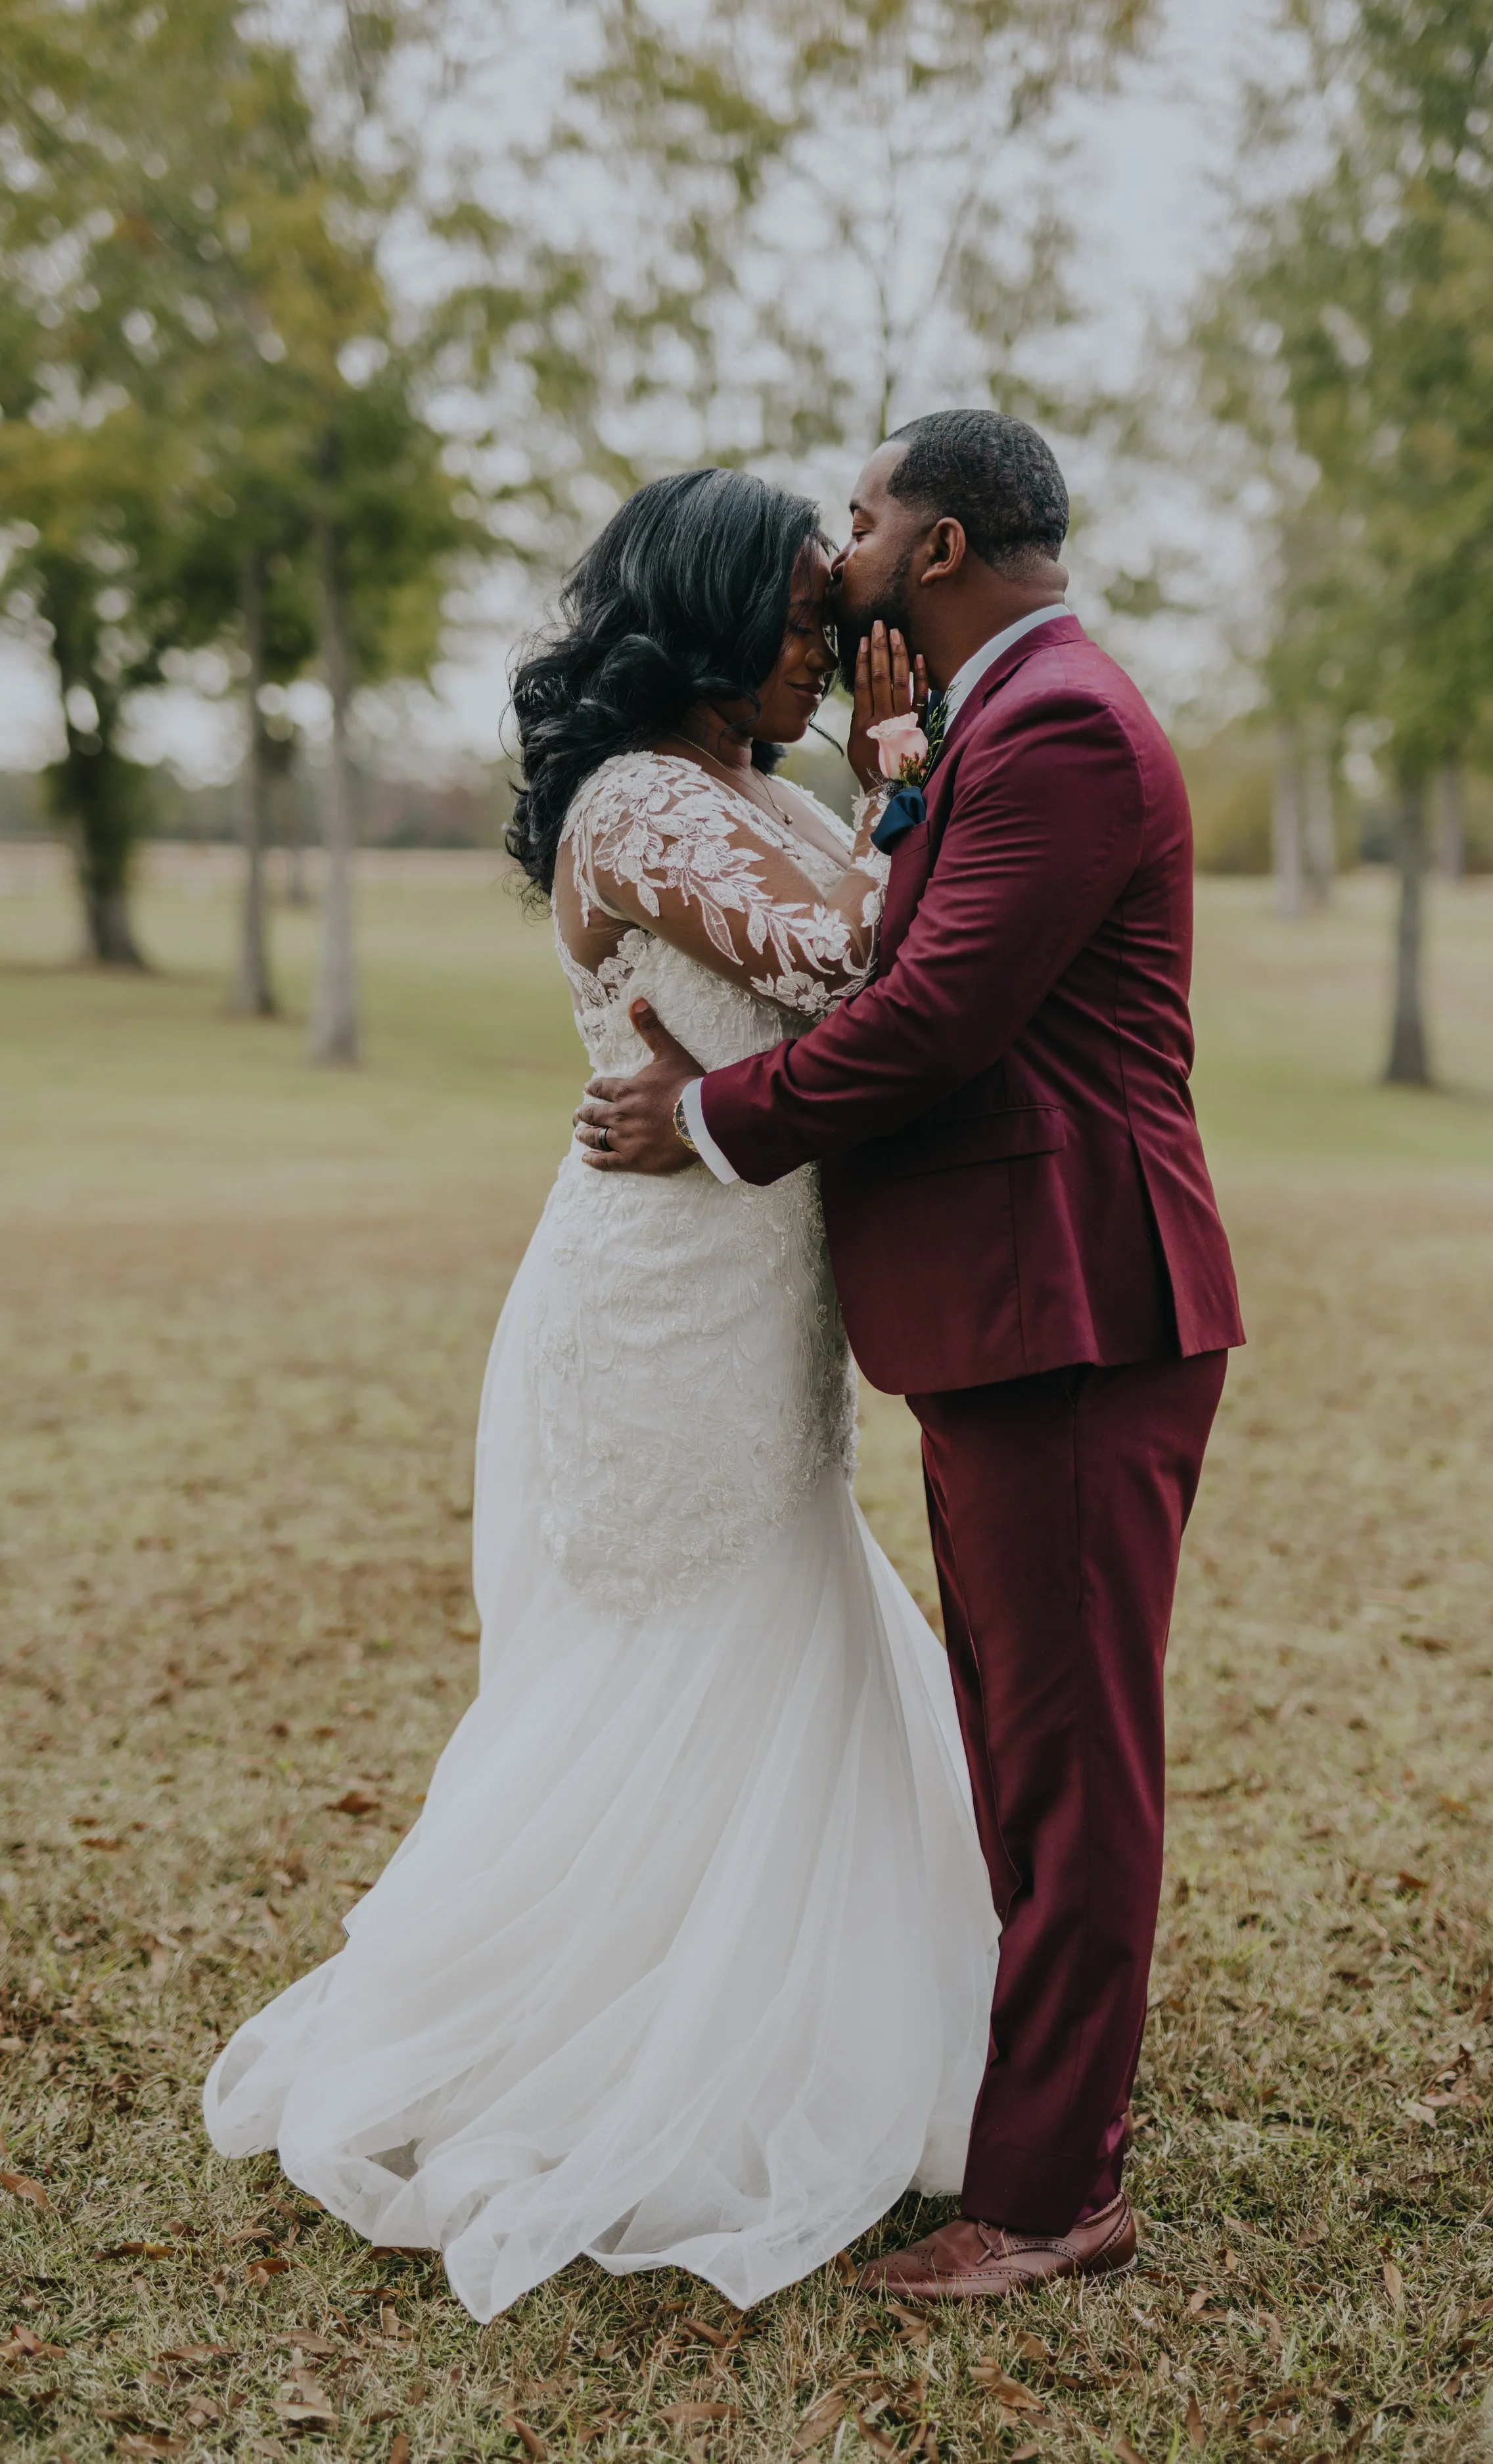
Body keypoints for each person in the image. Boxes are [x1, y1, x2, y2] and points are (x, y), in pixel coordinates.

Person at [202, 467, 998, 2322]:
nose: (832, 645)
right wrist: (910, 761)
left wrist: (881, 773)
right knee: (676, 1644)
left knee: (776, 1613)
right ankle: (599, 2057)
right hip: (655, 1314)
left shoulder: (758, 791)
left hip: (762, 1294)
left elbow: (895, 943)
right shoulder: (642, 804)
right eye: (809, 617)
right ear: (715, 622)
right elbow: (874, 956)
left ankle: (780, 2034)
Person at [578, 409, 1244, 2300]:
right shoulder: (999, 723)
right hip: (1011, 1304)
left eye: (861, 519)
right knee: (1020, 1746)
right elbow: (927, 939)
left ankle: (1047, 2198)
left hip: (1072, 1305)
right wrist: (890, 775)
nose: (839, 549)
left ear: (936, 548)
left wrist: (711, 1120)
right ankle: (1025, 2122)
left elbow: (937, 1010)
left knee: (1068, 1760)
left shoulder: (1054, 725)